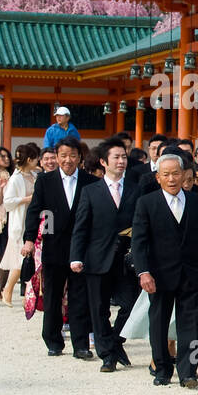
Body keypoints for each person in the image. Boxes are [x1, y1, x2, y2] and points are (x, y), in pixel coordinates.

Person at [130, 152, 198, 389]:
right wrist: (143, 272)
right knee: (158, 324)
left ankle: (189, 371)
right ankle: (162, 369)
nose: (171, 179)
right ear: (158, 177)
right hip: (159, 274)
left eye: (176, 173)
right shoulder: (146, 203)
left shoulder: (195, 201)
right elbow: (138, 242)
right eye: (166, 174)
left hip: (193, 272)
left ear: (184, 175)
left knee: (192, 325)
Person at [22, 138, 98, 358]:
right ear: (56, 157)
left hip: (81, 248)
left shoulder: (89, 181)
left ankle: (81, 344)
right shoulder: (45, 181)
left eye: (72, 155)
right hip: (54, 245)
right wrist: (29, 238)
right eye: (63, 155)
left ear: (79, 157)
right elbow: (35, 210)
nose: (68, 160)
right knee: (53, 296)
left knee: (79, 297)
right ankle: (53, 341)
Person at [69, 138, 139, 372]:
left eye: (124, 157)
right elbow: (81, 227)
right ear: (103, 162)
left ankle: (115, 341)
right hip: (97, 258)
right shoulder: (91, 191)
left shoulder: (135, 189)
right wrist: (76, 257)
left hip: (127, 259)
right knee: (99, 309)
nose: (121, 161)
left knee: (130, 306)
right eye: (116, 157)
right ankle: (107, 356)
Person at [0, 143, 40, 307]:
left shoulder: (34, 175)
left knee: (31, 261)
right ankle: (7, 290)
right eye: (36, 157)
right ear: (30, 159)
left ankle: (29, 295)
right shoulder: (16, 178)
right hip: (19, 223)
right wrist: (27, 199)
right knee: (20, 261)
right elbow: (8, 203)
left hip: (33, 222)